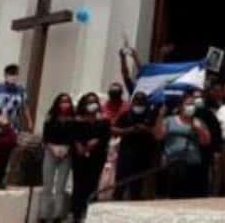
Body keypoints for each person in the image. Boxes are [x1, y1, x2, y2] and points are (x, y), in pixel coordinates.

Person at [154, 94, 210, 199]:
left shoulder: (198, 121)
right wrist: (160, 116)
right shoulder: (169, 120)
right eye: (188, 104)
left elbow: (205, 142)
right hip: (173, 164)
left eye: (193, 104)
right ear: (180, 106)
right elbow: (158, 136)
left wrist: (199, 129)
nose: (191, 107)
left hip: (192, 164)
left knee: (191, 197)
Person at [0, 64, 32, 189]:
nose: (13, 77)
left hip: (11, 127)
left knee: (5, 155)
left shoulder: (21, 90)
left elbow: (25, 107)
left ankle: (0, 180)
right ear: (5, 75)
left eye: (15, 74)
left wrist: (29, 122)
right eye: (10, 74)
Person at [71, 92, 111, 223]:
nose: (92, 104)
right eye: (89, 102)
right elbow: (73, 136)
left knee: (92, 184)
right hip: (79, 157)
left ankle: (88, 212)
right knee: (79, 184)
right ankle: (76, 213)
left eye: (94, 101)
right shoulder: (77, 120)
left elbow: (105, 137)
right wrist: (80, 147)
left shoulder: (104, 121)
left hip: (96, 157)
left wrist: (94, 144)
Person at [111, 92, 157, 201]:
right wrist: (128, 130)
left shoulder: (150, 115)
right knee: (120, 183)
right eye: (137, 100)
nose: (139, 103)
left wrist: (145, 129)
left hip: (143, 155)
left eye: (142, 101)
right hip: (126, 154)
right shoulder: (126, 114)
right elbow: (113, 129)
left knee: (137, 185)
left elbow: (157, 132)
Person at [38, 93, 76, 223]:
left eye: (67, 102)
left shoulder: (74, 119)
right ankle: (43, 215)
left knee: (60, 186)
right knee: (47, 184)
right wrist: (52, 147)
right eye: (62, 102)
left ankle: (57, 215)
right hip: (51, 151)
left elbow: (74, 138)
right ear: (57, 103)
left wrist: (67, 149)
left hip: (66, 153)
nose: (65, 104)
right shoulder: (50, 118)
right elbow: (45, 136)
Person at [192, 89, 222, 196]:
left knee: (204, 176)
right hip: (191, 151)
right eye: (195, 97)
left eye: (199, 97)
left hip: (205, 151)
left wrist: (216, 150)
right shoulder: (189, 114)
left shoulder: (209, 114)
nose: (198, 100)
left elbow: (216, 133)